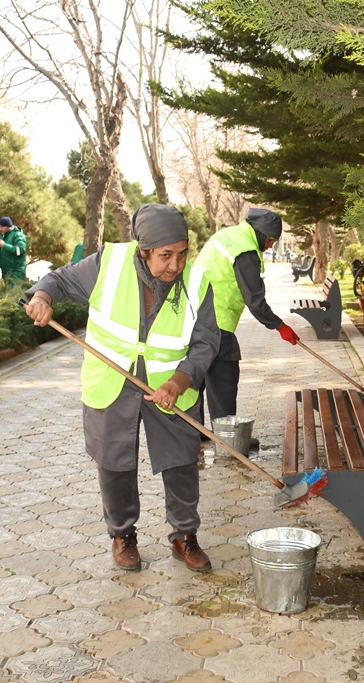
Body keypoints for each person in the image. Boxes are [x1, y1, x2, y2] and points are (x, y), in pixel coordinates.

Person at [23, 204, 221, 573]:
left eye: (182, 253)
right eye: (165, 256)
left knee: (180, 461)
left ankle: (185, 536)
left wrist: (179, 382)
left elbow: (207, 341)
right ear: (143, 250)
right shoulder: (108, 265)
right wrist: (42, 298)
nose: (174, 265)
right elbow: (60, 281)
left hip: (171, 386)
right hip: (112, 383)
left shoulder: (196, 283)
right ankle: (122, 534)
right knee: (114, 462)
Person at [194, 208, 299, 446]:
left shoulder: (227, 235)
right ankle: (228, 438)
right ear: (262, 234)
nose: (271, 246)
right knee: (224, 376)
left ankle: (193, 432)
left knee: (196, 376)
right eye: (271, 241)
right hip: (216, 320)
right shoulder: (246, 251)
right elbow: (255, 300)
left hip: (192, 316)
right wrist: (279, 326)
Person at [0, 216, 28, 281]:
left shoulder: (18, 235)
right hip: (5, 273)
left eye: (1, 227)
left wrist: (4, 245)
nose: (0, 229)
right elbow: (2, 253)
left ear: (7, 227)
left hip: (16, 273)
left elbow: (19, 250)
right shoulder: (2, 236)